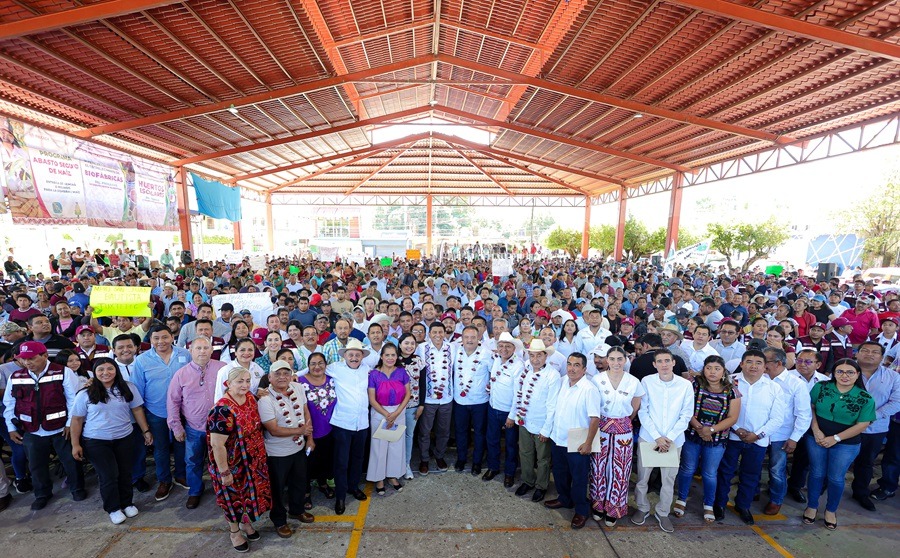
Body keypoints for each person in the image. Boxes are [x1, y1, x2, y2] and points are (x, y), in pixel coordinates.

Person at [3, 341, 86, 510]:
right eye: (24, 359)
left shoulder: (63, 372)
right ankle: (42, 494)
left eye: (32, 358)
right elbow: (9, 403)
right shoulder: (16, 377)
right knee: (36, 465)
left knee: (71, 461)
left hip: (61, 428)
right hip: (32, 429)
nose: (27, 362)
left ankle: (77, 489)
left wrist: (71, 424)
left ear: (45, 356)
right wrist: (11, 428)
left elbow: (73, 400)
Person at [70, 357, 153, 524]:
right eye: (101, 370)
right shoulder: (85, 393)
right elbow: (77, 420)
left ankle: (127, 503)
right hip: (96, 441)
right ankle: (113, 508)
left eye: (110, 369)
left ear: (116, 370)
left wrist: (146, 431)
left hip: (124, 438)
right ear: (94, 372)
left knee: (125, 472)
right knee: (108, 475)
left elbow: (136, 410)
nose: (105, 373)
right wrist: (75, 444)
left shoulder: (127, 388)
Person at [714, 349, 786, 525]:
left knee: (751, 475)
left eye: (758, 363)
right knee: (725, 472)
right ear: (741, 364)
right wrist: (737, 429)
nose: (753, 366)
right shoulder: (730, 382)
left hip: (758, 440)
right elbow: (721, 410)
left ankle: (743, 505)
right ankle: (720, 504)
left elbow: (777, 418)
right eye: (749, 362)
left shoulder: (774, 388)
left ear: (765, 366)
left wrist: (757, 434)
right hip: (731, 436)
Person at [804, 359, 876, 530]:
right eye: (840, 371)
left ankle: (831, 510)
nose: (844, 376)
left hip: (846, 443)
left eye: (850, 372)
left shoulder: (865, 398)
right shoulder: (821, 387)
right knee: (816, 473)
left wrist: (835, 438)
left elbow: (862, 424)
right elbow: (811, 408)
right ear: (833, 373)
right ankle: (812, 506)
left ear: (857, 374)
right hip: (817, 437)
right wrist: (816, 430)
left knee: (836, 477)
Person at [208, 367, 272, 553]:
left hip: (252, 462)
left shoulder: (250, 399)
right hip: (232, 465)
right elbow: (217, 445)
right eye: (239, 381)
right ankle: (234, 532)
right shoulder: (222, 409)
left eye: (247, 380)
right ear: (228, 384)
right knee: (232, 499)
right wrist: (224, 471)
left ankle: (246, 524)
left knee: (247, 497)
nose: (245, 385)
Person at [632, 348, 694, 533]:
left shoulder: (685, 385)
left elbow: (686, 414)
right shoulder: (647, 382)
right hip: (650, 437)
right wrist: (657, 437)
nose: (664, 364)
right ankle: (642, 508)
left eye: (667, 360)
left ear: (674, 362)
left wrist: (669, 437)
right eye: (660, 361)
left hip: (674, 440)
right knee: (643, 477)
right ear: (654, 364)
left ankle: (663, 512)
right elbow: (643, 411)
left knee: (668, 480)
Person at [673, 355, 740, 523]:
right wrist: (699, 428)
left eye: (717, 369)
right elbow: (686, 409)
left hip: (717, 438)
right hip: (693, 435)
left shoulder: (732, 390)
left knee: (710, 473)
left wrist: (710, 430)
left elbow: (733, 417)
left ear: (723, 371)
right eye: (709, 368)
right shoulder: (694, 386)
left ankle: (708, 504)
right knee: (687, 468)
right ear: (704, 370)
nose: (712, 372)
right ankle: (681, 499)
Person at [131, 325, 192, 501]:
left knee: (181, 445)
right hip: (155, 412)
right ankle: (164, 480)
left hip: (182, 411)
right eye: (156, 338)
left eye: (164, 337)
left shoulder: (184, 355)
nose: (160, 342)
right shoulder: (142, 360)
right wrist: (143, 422)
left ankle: (180, 475)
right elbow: (138, 391)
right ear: (150, 340)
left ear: (172, 337)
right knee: (161, 448)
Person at [541, 353, 601, 530]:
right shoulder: (561, 382)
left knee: (579, 478)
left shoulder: (589, 389)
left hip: (578, 442)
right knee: (559, 473)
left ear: (584, 369)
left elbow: (595, 418)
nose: (571, 368)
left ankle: (582, 510)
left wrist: (589, 443)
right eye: (569, 364)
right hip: (558, 437)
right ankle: (564, 499)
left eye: (576, 365)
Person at [166, 336, 225, 509]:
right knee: (192, 461)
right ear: (190, 351)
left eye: (205, 348)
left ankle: (223, 490)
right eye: (198, 348)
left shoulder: (222, 368)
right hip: (194, 427)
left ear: (212, 350)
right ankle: (195, 491)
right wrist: (176, 426)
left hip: (220, 428)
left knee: (222, 460)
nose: (202, 351)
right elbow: (173, 401)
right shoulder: (181, 374)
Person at [258, 360, 315, 538]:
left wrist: (310, 438)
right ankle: (279, 521)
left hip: (298, 448)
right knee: (277, 488)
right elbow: (273, 430)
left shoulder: (297, 387)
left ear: (291, 375)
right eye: (278, 374)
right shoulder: (265, 399)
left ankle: (297, 510)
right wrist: (301, 431)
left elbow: (305, 412)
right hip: (277, 453)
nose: (282, 377)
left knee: (299, 482)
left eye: (286, 373)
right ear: (270, 377)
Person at [589, 346, 643, 527]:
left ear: (626, 359)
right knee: (598, 467)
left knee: (620, 470)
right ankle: (598, 505)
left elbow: (635, 406)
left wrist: (623, 421)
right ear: (607, 360)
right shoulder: (597, 379)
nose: (616, 363)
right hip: (601, 427)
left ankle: (614, 508)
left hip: (623, 429)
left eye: (620, 359)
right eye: (612, 359)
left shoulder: (633, 381)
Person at [761, 347, 811, 515]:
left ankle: (776, 499)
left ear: (778, 363)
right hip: (759, 432)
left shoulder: (796, 383)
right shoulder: (760, 378)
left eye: (765, 361)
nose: (762, 364)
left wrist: (794, 438)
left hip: (781, 435)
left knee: (777, 469)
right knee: (752, 465)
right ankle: (752, 492)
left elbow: (804, 414)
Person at [851, 341, 900, 511]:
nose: (869, 354)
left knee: (866, 462)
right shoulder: (845, 371)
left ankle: (860, 492)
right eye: (865, 350)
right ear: (857, 353)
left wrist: (871, 417)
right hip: (845, 427)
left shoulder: (892, 377)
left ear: (882, 357)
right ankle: (824, 489)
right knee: (837, 461)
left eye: (875, 352)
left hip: (875, 428)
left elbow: (896, 402)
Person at [509, 339, 559, 503]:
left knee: (543, 459)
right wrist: (517, 416)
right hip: (525, 421)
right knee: (525, 453)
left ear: (546, 356)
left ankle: (541, 486)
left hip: (541, 424)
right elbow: (519, 395)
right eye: (532, 355)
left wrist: (546, 429)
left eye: (539, 355)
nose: (535, 359)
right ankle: (528, 480)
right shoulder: (525, 370)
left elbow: (552, 405)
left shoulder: (553, 375)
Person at [326, 338, 372, 515]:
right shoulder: (335, 368)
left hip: (362, 423)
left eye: (357, 355)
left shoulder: (367, 369)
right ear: (344, 355)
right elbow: (313, 370)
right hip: (342, 423)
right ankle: (340, 496)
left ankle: (353, 486)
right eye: (351, 354)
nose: (354, 358)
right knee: (341, 462)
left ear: (362, 356)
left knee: (358, 458)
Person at [366, 344, 411, 494]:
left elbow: (407, 394)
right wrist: (386, 415)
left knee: (396, 446)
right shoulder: (374, 374)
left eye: (393, 355)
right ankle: (379, 479)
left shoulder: (402, 372)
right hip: (380, 413)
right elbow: (372, 399)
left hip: (398, 412)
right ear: (381, 356)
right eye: (387, 355)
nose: (390, 358)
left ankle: (392, 475)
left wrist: (396, 413)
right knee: (379, 447)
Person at [484, 332, 524, 486]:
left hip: (508, 412)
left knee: (510, 444)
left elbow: (518, 393)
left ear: (514, 348)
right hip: (493, 407)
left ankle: (509, 472)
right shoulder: (495, 361)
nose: (504, 349)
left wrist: (512, 416)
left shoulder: (518, 365)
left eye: (508, 346)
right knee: (492, 440)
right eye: (501, 346)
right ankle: (493, 467)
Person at [298, 352, 337, 509]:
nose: (317, 367)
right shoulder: (300, 382)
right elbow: (302, 409)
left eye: (320, 363)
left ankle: (322, 483)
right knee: (307, 463)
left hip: (330, 430)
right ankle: (306, 492)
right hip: (310, 432)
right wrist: (309, 436)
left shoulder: (332, 381)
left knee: (325, 460)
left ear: (326, 365)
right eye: (313, 363)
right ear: (308, 366)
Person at [416, 322, 455, 474]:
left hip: (447, 397)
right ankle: (424, 459)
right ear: (429, 334)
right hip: (428, 398)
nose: (438, 335)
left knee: (444, 430)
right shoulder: (421, 348)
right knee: (425, 431)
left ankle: (439, 455)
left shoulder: (452, 348)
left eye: (441, 332)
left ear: (445, 333)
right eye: (434, 332)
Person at [452, 326, 490, 475]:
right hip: (460, 401)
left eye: (473, 337)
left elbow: (494, 373)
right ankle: (461, 458)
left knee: (480, 432)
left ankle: (477, 462)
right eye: (466, 337)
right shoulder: (455, 351)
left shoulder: (486, 354)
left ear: (478, 338)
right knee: (461, 431)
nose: (469, 340)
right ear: (461, 338)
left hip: (480, 401)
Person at [397, 333, 426, 480]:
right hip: (395, 407)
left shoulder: (419, 361)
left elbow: (423, 384)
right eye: (406, 343)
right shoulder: (393, 360)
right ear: (400, 344)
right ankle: (395, 466)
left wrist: (421, 405)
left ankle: (406, 464)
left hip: (413, 405)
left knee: (409, 436)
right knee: (395, 437)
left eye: (412, 343)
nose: (409, 346)